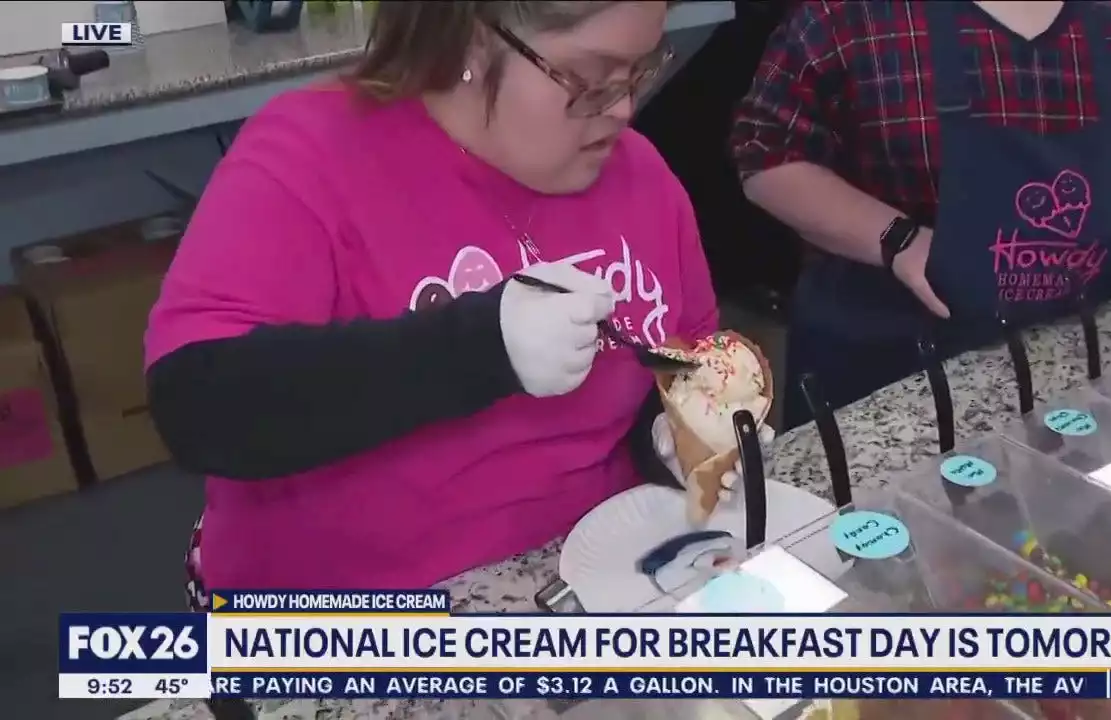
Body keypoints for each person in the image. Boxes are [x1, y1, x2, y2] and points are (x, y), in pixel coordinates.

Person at [144, 1, 772, 606]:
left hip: (586, 580)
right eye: (587, 78)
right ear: (474, 40)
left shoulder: (643, 180)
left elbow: (668, 367)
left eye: (638, 70)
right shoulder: (309, 156)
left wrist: (681, 438)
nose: (624, 109)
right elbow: (198, 404)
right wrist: (479, 346)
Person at [730, 0, 1111, 429]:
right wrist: (899, 240)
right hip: (887, 369)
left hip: (1073, 362)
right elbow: (765, 153)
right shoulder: (849, 14)